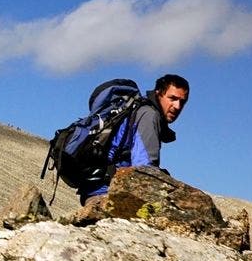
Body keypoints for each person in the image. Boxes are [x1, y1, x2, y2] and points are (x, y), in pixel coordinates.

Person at [78, 74, 190, 204]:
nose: (177, 106)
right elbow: (144, 168)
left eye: (182, 101)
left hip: (96, 190)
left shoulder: (137, 110)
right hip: (108, 194)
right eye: (172, 98)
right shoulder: (148, 115)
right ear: (158, 93)